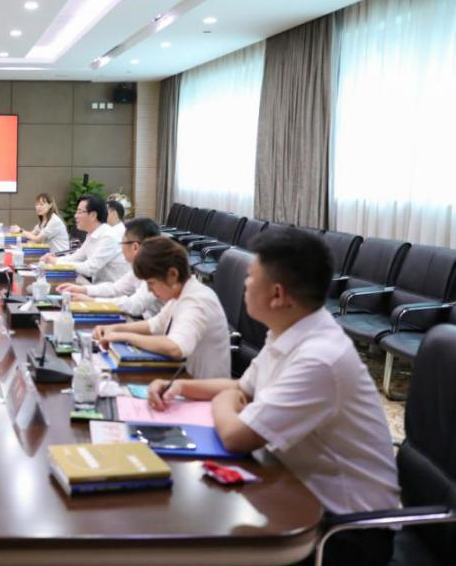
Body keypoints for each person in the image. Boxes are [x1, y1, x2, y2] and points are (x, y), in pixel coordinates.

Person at [146, 229, 400, 565]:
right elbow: (241, 388)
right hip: (296, 489)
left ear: (277, 294)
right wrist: (180, 387)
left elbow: (236, 436)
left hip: (347, 530)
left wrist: (223, 401)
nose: (244, 284)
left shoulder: (320, 358)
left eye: (251, 277)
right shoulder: (288, 331)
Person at [92, 236, 230, 379]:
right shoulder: (181, 294)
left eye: (151, 283)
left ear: (172, 274)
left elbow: (175, 347)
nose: (149, 290)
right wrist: (114, 329)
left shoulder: (196, 300)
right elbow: (154, 325)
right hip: (184, 379)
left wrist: (125, 337)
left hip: (203, 387)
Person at [56, 217, 164, 319]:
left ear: (135, 247)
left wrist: (92, 301)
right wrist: (82, 289)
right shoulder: (141, 266)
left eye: (122, 243)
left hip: (151, 325)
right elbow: (115, 288)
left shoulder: (156, 270)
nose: (121, 248)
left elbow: (134, 305)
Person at [39, 195, 124, 284]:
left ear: (93, 215)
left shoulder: (108, 236)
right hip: (99, 287)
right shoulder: (92, 234)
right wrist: (52, 260)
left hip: (113, 290)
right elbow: (75, 257)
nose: (75, 216)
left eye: (79, 212)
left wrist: (56, 262)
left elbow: (89, 268)